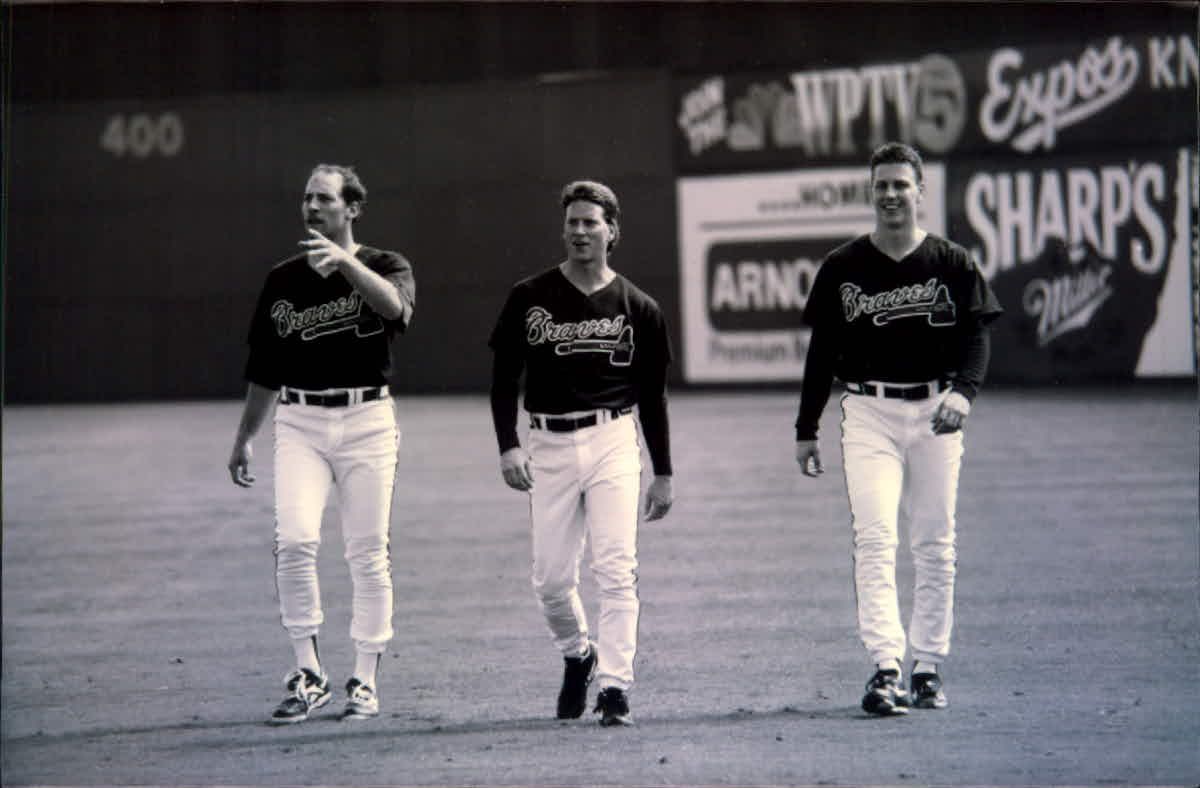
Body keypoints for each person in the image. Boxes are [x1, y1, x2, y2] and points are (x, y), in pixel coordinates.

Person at [794, 142, 1002, 716]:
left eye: (900, 185)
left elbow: (977, 334)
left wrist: (964, 391)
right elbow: (821, 354)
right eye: (881, 184)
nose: (890, 194)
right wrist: (805, 426)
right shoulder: (843, 266)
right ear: (871, 191)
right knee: (876, 537)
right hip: (868, 411)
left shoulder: (950, 261)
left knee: (935, 541)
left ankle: (928, 666)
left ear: (919, 191)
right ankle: (886, 666)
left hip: (936, 410)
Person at [227, 164, 415, 725]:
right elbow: (264, 368)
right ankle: (308, 672)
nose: (312, 206)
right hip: (301, 421)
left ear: (351, 208)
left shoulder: (385, 265)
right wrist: (244, 440)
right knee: (296, 542)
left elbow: (396, 310)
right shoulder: (282, 280)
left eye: (325, 198)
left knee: (366, 550)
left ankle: (364, 678)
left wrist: (348, 265)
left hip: (367, 420)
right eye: (307, 197)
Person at [488, 180, 675, 727]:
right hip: (546, 443)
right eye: (572, 221)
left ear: (612, 231)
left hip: (613, 439)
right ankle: (579, 653)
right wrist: (508, 445)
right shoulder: (530, 296)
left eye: (591, 222)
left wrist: (663, 472)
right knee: (550, 580)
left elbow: (652, 398)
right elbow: (503, 381)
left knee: (616, 569)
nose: (580, 230)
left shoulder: (639, 307)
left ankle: (615, 687)